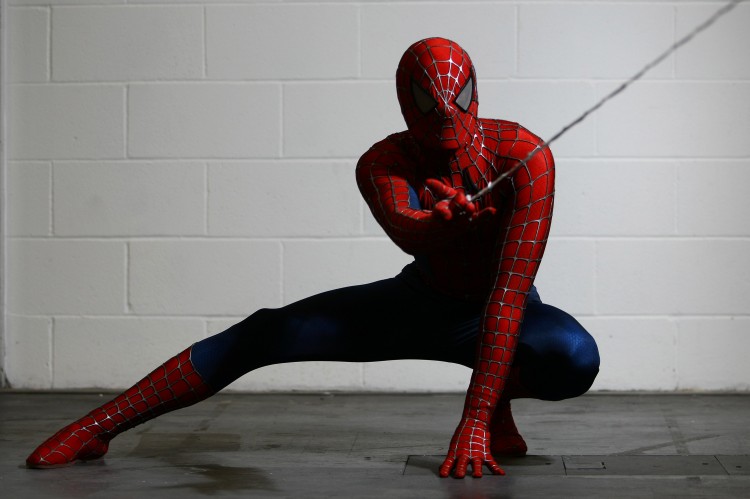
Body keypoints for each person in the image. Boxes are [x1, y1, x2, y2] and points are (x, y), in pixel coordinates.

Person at [25, 37, 599, 479]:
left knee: (572, 356)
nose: (448, 119)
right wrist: (437, 223)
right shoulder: (381, 160)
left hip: (504, 309)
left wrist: (473, 421)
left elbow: (507, 291)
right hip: (419, 303)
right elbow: (406, 230)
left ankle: (493, 405)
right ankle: (97, 427)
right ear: (407, 104)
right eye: (430, 105)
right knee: (264, 333)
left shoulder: (525, 156)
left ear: (477, 92)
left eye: (459, 101)